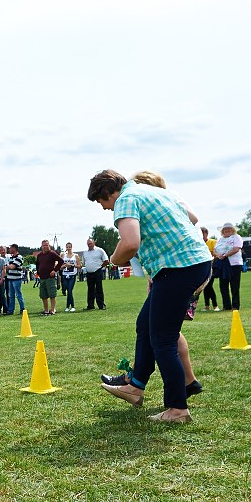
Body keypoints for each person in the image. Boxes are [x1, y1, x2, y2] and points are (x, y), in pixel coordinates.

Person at [88, 169, 211, 423]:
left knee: (163, 339)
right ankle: (136, 386)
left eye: (102, 203)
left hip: (177, 268)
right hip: (194, 263)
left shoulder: (125, 199)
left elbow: (130, 243)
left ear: (108, 193)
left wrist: (113, 259)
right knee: (145, 325)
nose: (105, 209)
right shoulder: (157, 192)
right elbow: (193, 217)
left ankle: (177, 408)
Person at [212, 222, 243, 310]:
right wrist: (218, 255)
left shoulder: (236, 237)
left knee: (234, 285)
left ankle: (235, 305)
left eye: (229, 228)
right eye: (225, 229)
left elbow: (236, 249)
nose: (227, 230)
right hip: (222, 264)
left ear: (232, 229)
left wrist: (225, 255)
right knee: (223, 286)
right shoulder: (220, 239)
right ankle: (226, 305)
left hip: (234, 264)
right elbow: (214, 250)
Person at [34, 239, 63, 315]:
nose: (45, 247)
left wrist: (55, 270)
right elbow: (37, 264)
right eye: (44, 245)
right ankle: (46, 310)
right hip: (42, 278)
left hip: (50, 277)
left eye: (47, 245)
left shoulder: (52, 253)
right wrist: (38, 272)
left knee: (52, 294)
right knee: (43, 295)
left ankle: (53, 309)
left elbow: (61, 261)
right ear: (41, 246)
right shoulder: (39, 255)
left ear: (49, 246)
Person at [81, 237, 110, 309]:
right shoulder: (85, 252)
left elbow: (106, 261)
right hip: (89, 273)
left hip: (97, 271)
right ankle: (90, 305)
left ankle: (101, 305)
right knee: (90, 289)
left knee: (99, 288)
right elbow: (84, 262)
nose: (89, 245)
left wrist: (100, 267)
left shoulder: (100, 250)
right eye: (88, 244)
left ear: (94, 243)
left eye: (90, 243)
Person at [4, 243, 26, 315]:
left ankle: (22, 309)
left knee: (18, 295)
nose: (9, 249)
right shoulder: (11, 258)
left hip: (17, 279)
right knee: (11, 296)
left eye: (10, 248)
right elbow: (9, 267)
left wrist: (7, 266)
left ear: (14, 248)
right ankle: (11, 310)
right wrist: (8, 266)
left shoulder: (19, 257)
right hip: (10, 278)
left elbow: (11, 267)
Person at [60, 242, 81, 312]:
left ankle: (71, 306)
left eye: (69, 247)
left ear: (71, 247)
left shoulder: (75, 256)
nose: (68, 248)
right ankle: (68, 306)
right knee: (67, 290)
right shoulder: (63, 256)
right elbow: (59, 266)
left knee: (69, 290)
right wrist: (64, 266)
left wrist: (72, 265)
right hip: (65, 275)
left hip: (72, 275)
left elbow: (80, 265)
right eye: (67, 247)